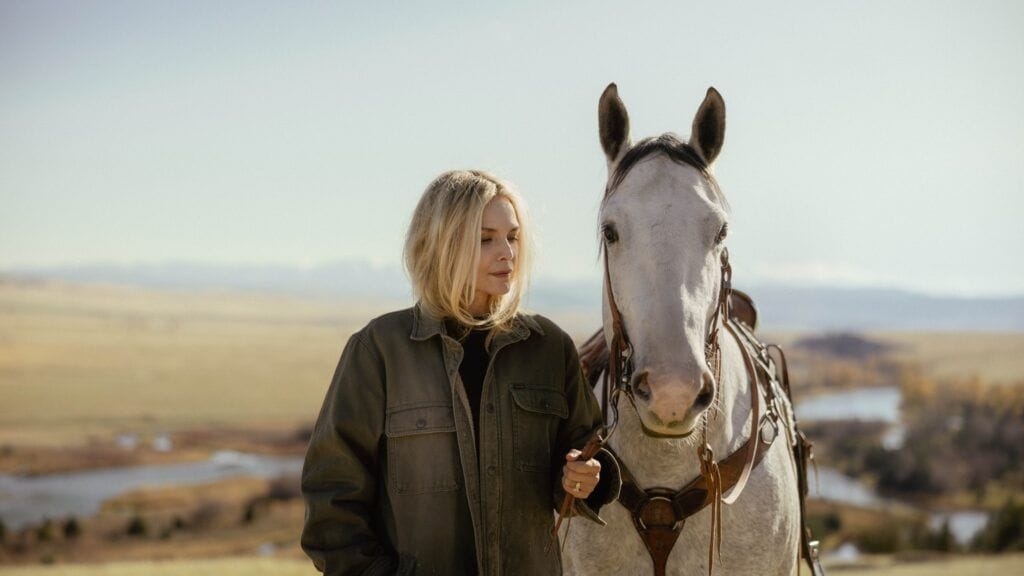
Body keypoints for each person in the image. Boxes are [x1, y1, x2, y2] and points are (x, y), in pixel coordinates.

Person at [300, 170, 620, 576]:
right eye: (486, 239)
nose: (507, 253)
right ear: (442, 244)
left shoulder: (549, 348)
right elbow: (331, 500)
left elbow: (584, 452)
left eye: (512, 237)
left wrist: (585, 477)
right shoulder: (379, 349)